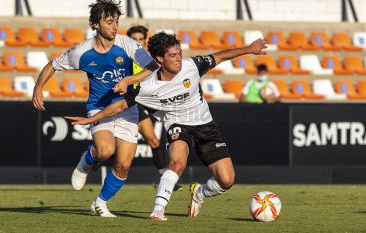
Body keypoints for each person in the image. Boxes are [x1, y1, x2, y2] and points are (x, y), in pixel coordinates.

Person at [65, 32, 267, 221]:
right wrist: (92, 119)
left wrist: (249, 49)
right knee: (177, 163)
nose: (179, 58)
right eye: (173, 55)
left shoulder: (193, 66)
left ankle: (199, 193)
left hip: (205, 125)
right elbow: (120, 105)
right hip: (178, 125)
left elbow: (220, 56)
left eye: (179, 53)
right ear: (160, 59)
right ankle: (158, 210)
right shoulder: (147, 87)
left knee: (227, 180)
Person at [32, 0, 156, 217]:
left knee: (124, 164)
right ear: (95, 24)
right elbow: (52, 65)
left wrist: (129, 80)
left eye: (116, 21)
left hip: (127, 107)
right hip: (99, 107)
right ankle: (86, 162)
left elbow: (152, 66)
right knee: (105, 150)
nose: (114, 26)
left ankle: (100, 203)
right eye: (109, 22)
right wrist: (38, 88)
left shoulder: (127, 44)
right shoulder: (81, 52)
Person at [126, 25, 182, 191]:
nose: (137, 42)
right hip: (124, 101)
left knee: (153, 140)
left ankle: (165, 178)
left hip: (140, 101)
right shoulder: (124, 57)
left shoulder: (151, 59)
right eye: (133, 39)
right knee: (111, 147)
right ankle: (95, 156)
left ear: (145, 40)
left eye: (140, 39)